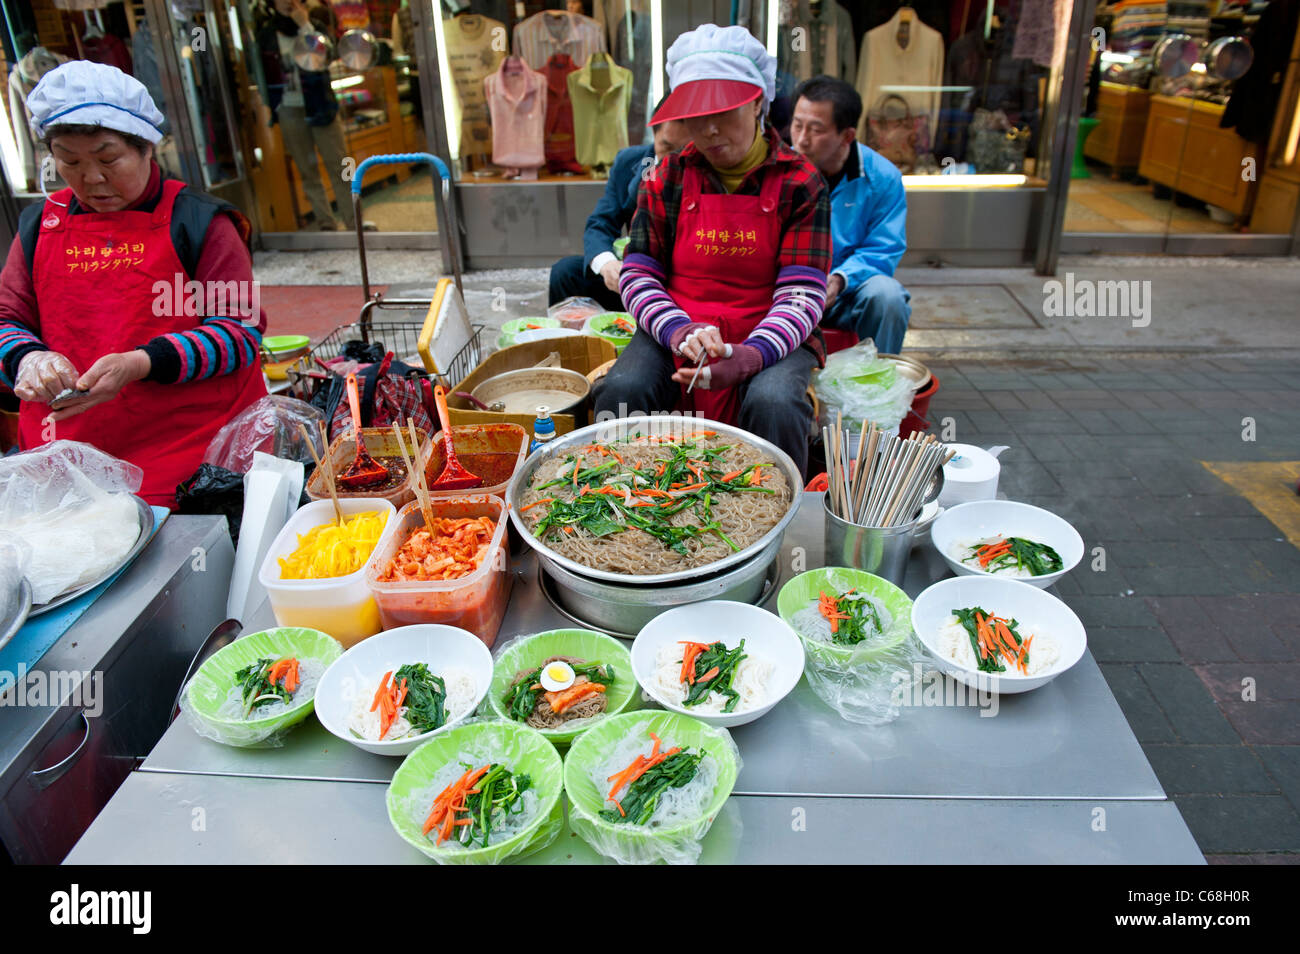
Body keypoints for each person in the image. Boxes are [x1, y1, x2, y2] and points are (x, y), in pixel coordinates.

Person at [0, 62, 267, 506]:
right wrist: (28, 359)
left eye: (108, 159)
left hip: (191, 460)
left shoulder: (199, 222)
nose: (92, 178)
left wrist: (141, 362)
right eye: (69, 161)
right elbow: (6, 320)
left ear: (147, 148)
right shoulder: (37, 226)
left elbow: (240, 335)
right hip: (69, 460)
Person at [594, 24, 831, 476]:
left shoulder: (801, 183)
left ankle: (774, 526)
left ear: (759, 101)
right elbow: (638, 274)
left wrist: (750, 356)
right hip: (679, 321)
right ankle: (627, 508)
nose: (709, 128)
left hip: (772, 327)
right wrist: (679, 332)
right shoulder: (666, 176)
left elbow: (802, 294)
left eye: (725, 111)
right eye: (696, 115)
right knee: (623, 389)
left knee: (774, 401)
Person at [789, 75, 911, 355]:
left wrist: (841, 279)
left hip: (847, 294)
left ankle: (877, 386)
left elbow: (883, 249)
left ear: (847, 136)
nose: (802, 140)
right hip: (789, 289)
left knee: (888, 297)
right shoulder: (781, 171)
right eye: (797, 126)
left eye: (815, 130)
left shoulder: (882, 178)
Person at [548, 102, 688, 312]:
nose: (672, 161)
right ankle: (571, 340)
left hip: (683, 280)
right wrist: (608, 265)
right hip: (634, 271)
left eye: (683, 150)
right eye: (666, 147)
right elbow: (601, 223)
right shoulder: (629, 161)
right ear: (654, 132)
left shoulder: (705, 168)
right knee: (566, 273)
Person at [257, 0, 358, 231]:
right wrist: (271, 107)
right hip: (289, 109)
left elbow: (328, 56)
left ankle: (353, 220)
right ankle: (325, 223)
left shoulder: (315, 27)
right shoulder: (267, 34)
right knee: (306, 169)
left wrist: (305, 27)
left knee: (341, 163)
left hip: (320, 105)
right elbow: (261, 73)